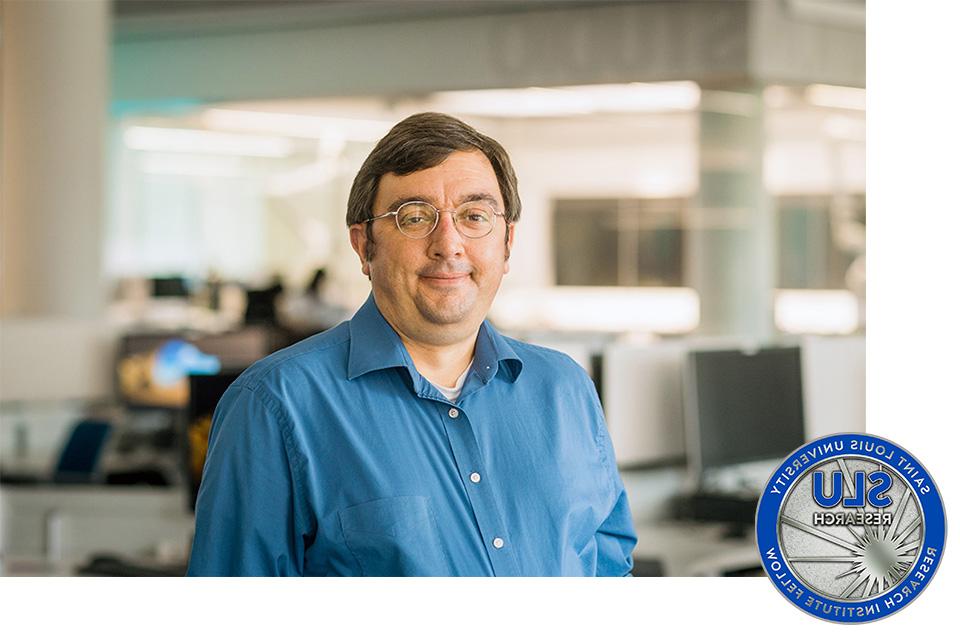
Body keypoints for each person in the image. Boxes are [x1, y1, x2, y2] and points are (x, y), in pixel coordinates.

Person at [187, 112, 637, 576]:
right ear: (365, 247)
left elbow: (609, 566)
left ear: (507, 243)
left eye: (474, 216)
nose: (449, 244)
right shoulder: (274, 405)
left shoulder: (564, 389)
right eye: (415, 217)